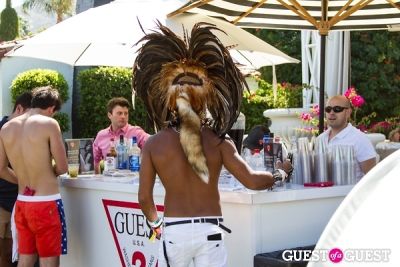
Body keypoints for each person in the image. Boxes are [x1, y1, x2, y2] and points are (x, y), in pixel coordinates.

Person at [133, 22, 292, 266]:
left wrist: (155, 224)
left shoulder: (154, 144)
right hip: (210, 231)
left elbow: (144, 198)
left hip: (175, 231)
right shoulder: (219, 140)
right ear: (207, 95)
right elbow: (251, 180)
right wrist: (280, 172)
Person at [0, 86, 68, 267]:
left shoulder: (7, 127)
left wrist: (23, 179)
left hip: (22, 201)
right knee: (49, 260)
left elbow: (1, 169)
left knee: (26, 258)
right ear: (51, 108)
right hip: (46, 202)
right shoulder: (49, 124)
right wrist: (45, 172)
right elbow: (62, 167)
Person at [0, 92, 32, 267]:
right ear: (19, 108)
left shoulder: (27, 133)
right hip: (3, 202)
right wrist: (25, 180)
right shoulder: (2, 129)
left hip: (20, 202)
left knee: (13, 253)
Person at [317, 95, 376, 180]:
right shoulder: (320, 139)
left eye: (337, 109)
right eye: (328, 109)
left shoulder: (359, 139)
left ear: (348, 112)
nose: (331, 113)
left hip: (349, 193)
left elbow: (373, 177)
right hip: (321, 192)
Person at [92, 97, 149, 173]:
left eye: (126, 113)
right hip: (108, 181)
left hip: (132, 181)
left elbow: (153, 145)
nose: (123, 116)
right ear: (109, 115)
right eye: (119, 113)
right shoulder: (101, 135)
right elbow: (95, 161)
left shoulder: (136, 132)